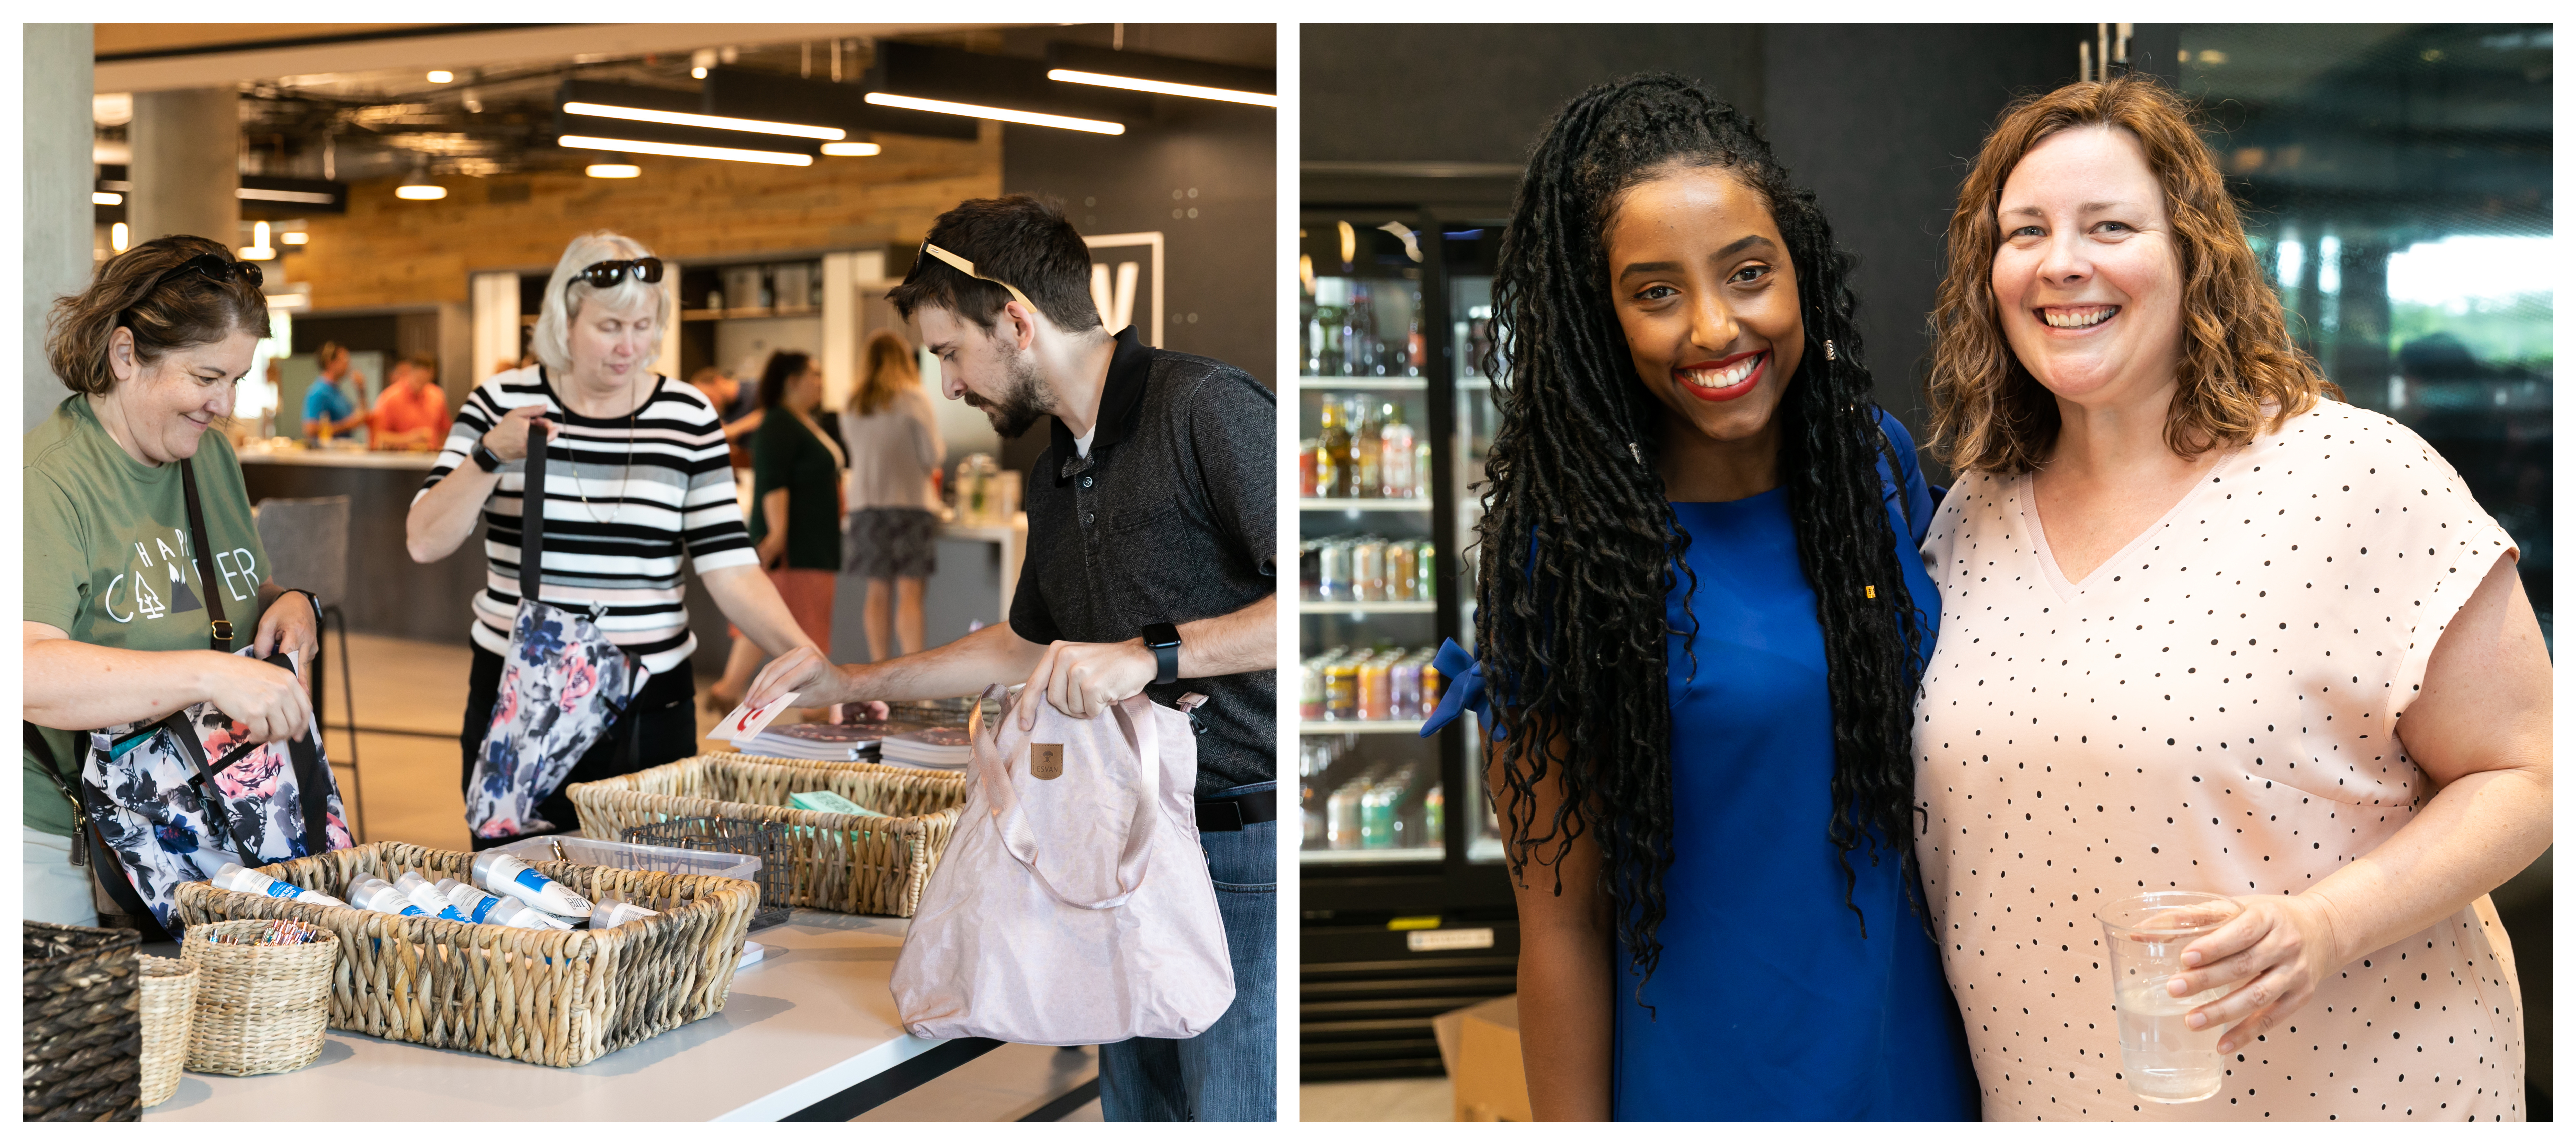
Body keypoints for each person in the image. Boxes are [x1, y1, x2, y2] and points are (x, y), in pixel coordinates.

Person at [1916, 74, 2548, 1121]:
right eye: (2021, 231)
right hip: (2057, 1101)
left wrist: (2322, 926)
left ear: (2190, 256)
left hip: (2351, 1095)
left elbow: (2528, 768)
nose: (2060, 260)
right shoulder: (1972, 513)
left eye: (2108, 225)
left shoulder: (2354, 478)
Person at [1416, 75, 1975, 1121]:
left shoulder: (1876, 470)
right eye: (1656, 291)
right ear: (1601, 319)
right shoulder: (1566, 551)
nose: (1717, 327)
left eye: (1748, 273)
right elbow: (1560, 927)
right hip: (1708, 1089)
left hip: (1919, 1072)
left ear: (1798, 273)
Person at [745, 195, 1277, 1121]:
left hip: (1239, 852)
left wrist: (1148, 655)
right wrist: (850, 680)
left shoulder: (1204, 407)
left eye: (950, 350)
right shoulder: (1055, 464)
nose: (947, 384)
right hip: (1118, 847)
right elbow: (1022, 637)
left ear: (1017, 320)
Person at [405, 231, 824, 847]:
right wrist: (491, 454)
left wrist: (804, 659)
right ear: (564, 319)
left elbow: (731, 565)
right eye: (610, 327)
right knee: (523, 894)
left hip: (652, 704)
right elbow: (424, 540)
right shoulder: (502, 402)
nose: (631, 347)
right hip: (524, 698)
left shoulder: (687, 416)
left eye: (645, 326)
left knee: (657, 898)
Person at [23, 235, 325, 925]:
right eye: (206, 377)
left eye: (236, 381)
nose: (223, 405)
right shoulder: (47, 480)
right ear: (126, 355)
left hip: (203, 819)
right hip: (70, 844)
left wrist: (294, 606)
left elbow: (241, 589)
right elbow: (28, 671)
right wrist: (209, 674)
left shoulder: (208, 456)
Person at [707, 350, 846, 712]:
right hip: (796, 547)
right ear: (792, 381)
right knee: (797, 628)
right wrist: (780, 532)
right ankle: (811, 710)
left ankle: (728, 691)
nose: (821, 382)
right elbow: (773, 481)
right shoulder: (779, 424)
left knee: (783, 624)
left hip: (811, 543)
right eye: (814, 374)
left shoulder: (799, 421)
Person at [840, 329, 944, 662]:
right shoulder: (914, 397)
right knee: (911, 594)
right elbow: (934, 456)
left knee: (877, 591)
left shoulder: (851, 401)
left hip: (865, 507)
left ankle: (879, 671)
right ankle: (911, 676)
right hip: (910, 505)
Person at [369, 354, 451, 451]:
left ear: (432, 375)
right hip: (401, 462)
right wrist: (410, 439)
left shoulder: (437, 396)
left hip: (431, 459)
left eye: (426, 379)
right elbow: (379, 438)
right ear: (410, 371)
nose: (422, 382)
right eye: (419, 378)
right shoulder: (390, 398)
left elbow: (444, 432)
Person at [303, 341, 366, 441]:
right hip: (329, 454)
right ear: (330, 363)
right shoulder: (319, 392)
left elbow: (362, 418)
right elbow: (310, 429)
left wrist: (361, 390)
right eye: (344, 360)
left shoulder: (337, 391)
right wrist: (347, 426)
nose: (348, 364)